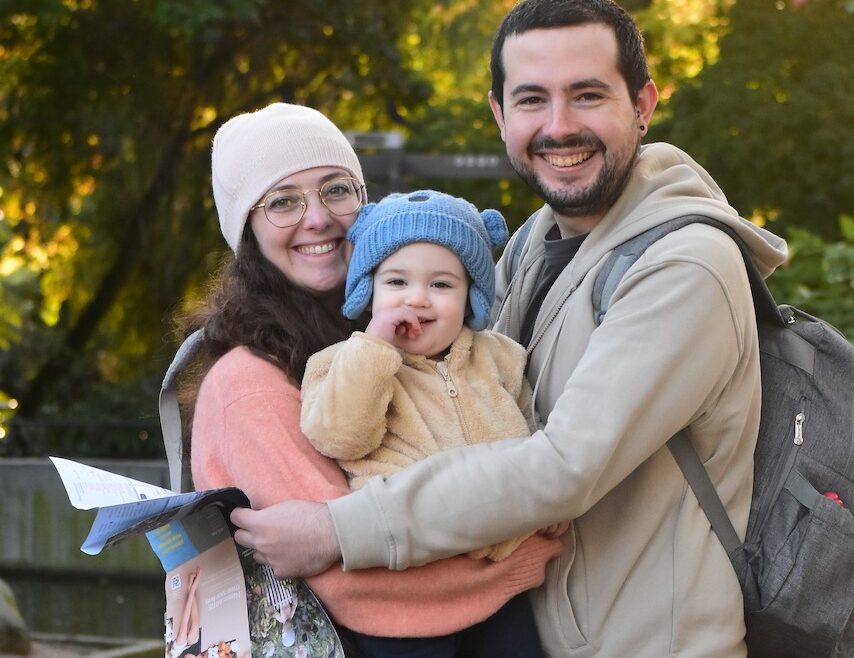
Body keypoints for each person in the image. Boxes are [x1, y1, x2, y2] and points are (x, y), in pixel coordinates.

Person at [231, 1, 789, 655]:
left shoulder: (687, 265)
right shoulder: (534, 246)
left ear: (642, 105)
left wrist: (338, 530)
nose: (559, 126)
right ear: (500, 116)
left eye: (587, 95)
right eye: (531, 99)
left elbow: (562, 469)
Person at [181, 102, 562, 653]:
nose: (318, 218)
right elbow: (357, 581)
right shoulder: (248, 381)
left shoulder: (415, 333)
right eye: (283, 201)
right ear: (247, 230)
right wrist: (521, 559)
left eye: (336, 189)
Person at [300, 189, 564, 655]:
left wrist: (552, 503)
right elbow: (340, 437)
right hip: (406, 591)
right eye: (397, 282)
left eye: (441, 285)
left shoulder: (500, 358)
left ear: (470, 298)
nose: (417, 299)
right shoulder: (341, 363)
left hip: (498, 582)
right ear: (368, 292)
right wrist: (375, 347)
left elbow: (534, 437)